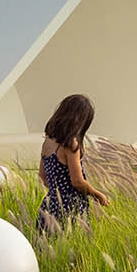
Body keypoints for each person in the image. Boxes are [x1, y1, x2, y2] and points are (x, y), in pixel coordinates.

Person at [37, 94, 108, 232]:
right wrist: (97, 194)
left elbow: (43, 177)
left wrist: (57, 191)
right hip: (71, 207)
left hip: (50, 205)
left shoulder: (47, 142)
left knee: (47, 247)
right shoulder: (70, 144)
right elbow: (77, 182)